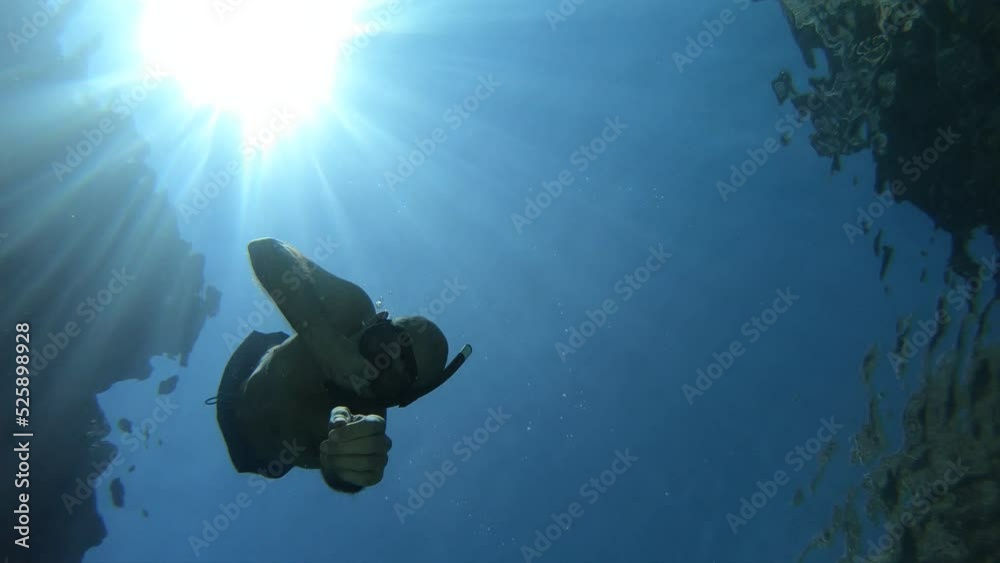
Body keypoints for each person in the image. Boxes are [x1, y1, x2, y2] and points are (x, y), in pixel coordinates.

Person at [208, 238, 471, 493]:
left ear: (401, 399)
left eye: (397, 377)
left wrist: (346, 464)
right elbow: (265, 250)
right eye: (383, 343)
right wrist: (324, 339)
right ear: (376, 321)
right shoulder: (353, 311)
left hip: (256, 456)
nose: (378, 365)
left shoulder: (365, 423)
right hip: (241, 375)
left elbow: (351, 471)